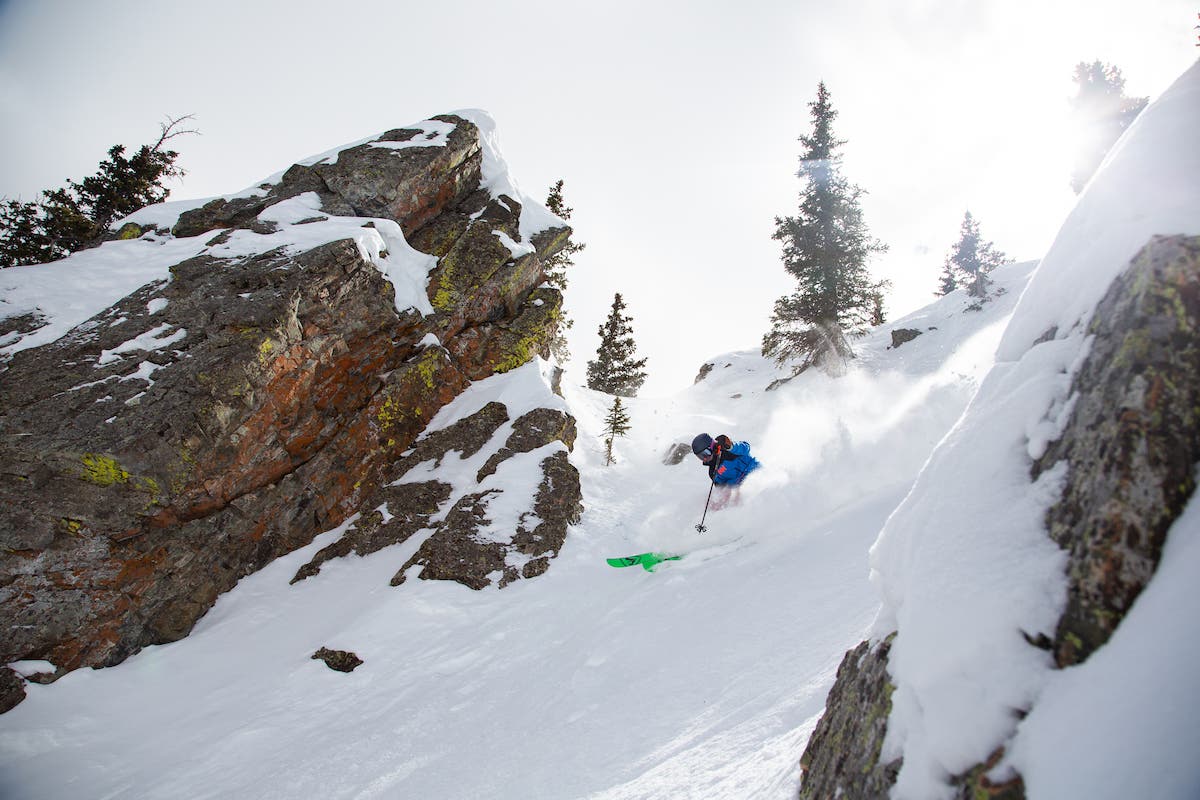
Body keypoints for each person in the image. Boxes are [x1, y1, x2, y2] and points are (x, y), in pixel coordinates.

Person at [691, 433, 760, 509]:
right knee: (735, 497)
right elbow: (722, 489)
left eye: (705, 454)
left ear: (712, 446)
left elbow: (746, 448)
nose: (704, 459)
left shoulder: (728, 450)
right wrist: (719, 501)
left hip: (755, 473)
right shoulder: (713, 472)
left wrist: (730, 446)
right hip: (741, 488)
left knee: (743, 492)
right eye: (700, 457)